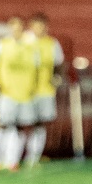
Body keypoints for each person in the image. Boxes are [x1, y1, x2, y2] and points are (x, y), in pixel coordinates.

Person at [0, 17, 39, 172]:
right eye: (13, 28)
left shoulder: (31, 47)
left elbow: (36, 69)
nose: (16, 31)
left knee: (20, 127)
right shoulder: (0, 45)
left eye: (19, 28)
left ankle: (12, 161)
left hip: (25, 94)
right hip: (6, 93)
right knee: (1, 126)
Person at [24, 13, 65, 168]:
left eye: (42, 26)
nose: (39, 29)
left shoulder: (52, 44)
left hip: (45, 90)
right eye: (36, 26)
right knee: (20, 124)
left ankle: (33, 157)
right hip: (25, 90)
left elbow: (59, 64)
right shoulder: (25, 42)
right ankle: (11, 157)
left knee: (39, 124)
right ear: (31, 26)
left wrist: (57, 78)